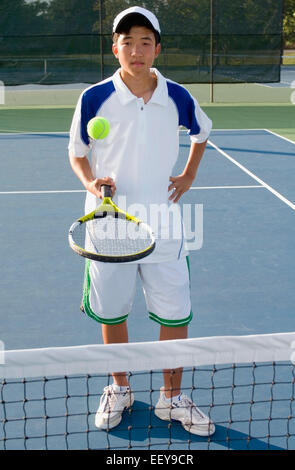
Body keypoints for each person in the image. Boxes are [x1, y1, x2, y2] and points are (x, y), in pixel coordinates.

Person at [68, 6, 215, 437]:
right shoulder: (94, 97)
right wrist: (92, 182)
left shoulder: (178, 96)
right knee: (113, 313)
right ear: (115, 48)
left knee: (175, 314)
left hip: (164, 223)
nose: (136, 50)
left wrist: (188, 175)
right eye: (127, 41)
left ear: (157, 49)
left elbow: (201, 133)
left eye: (145, 42)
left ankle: (172, 399)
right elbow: (76, 153)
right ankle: (120, 387)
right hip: (109, 224)